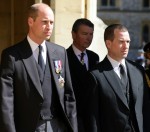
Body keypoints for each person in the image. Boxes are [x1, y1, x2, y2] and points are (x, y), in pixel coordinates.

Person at [0, 3, 77, 132]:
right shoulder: (12, 55)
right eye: (45, 22)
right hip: (28, 127)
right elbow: (6, 100)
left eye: (52, 22)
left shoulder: (60, 52)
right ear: (31, 21)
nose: (49, 27)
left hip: (57, 126)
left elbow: (69, 95)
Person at [85, 24, 150, 132]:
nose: (126, 46)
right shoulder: (95, 76)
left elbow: (146, 109)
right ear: (108, 43)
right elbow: (92, 119)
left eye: (128, 42)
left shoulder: (138, 71)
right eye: (121, 42)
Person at [67, 18, 99, 132]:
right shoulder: (64, 57)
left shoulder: (94, 57)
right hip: (73, 117)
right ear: (74, 34)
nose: (89, 38)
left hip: (92, 118)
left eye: (91, 34)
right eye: (84, 34)